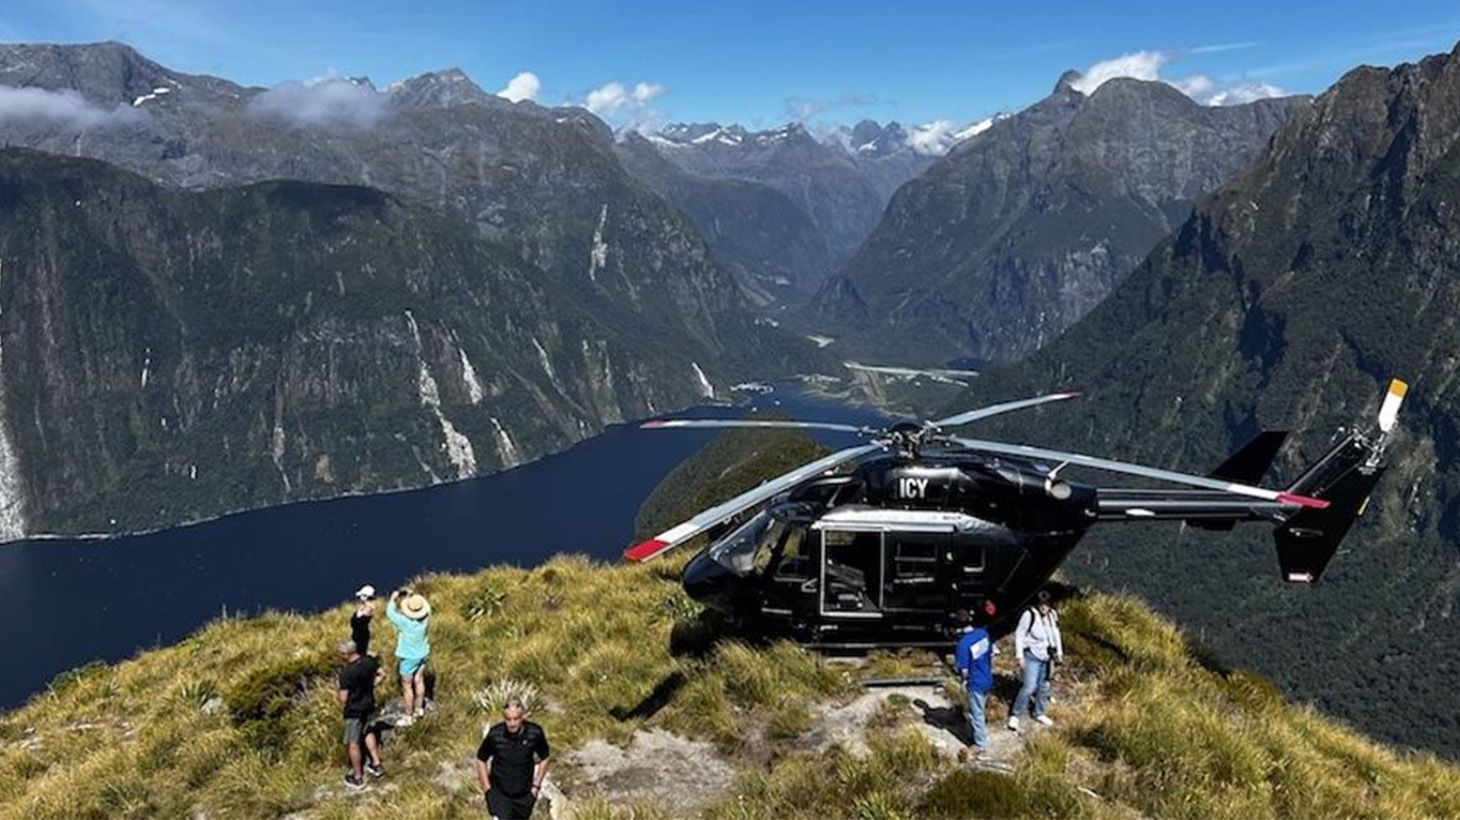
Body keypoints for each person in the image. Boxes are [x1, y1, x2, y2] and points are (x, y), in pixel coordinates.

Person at [475, 699, 551, 819]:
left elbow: (545, 758)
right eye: (508, 719)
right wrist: (487, 789)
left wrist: (536, 787)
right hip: (499, 795)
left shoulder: (534, 733)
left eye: (516, 719)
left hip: (524, 796)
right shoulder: (495, 734)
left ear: (522, 717)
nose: (512, 723)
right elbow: (481, 759)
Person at [1009, 589, 1063, 731]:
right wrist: (1019, 655)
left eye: (1047, 604)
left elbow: (1056, 633)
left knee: (1044, 686)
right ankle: (1015, 715)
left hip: (1047, 656)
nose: (1044, 607)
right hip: (1032, 655)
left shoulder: (1052, 615)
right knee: (1029, 687)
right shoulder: (1029, 615)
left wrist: (1059, 652)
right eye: (1041, 604)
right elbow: (1019, 634)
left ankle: (1039, 712)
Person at [336, 639, 386, 789]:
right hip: (369, 704)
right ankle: (376, 764)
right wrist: (371, 686)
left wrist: (338, 694)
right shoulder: (368, 661)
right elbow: (382, 674)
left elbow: (343, 698)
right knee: (368, 731)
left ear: (346, 654)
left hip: (354, 710)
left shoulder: (346, 673)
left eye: (341, 654)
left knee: (353, 743)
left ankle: (358, 777)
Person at [387, 587, 432, 725]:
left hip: (409, 657)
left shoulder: (405, 623)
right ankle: (419, 709)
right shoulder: (425, 618)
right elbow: (419, 608)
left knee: (407, 686)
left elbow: (390, 613)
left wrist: (393, 598)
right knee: (419, 680)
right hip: (423, 654)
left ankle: (408, 716)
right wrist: (410, 597)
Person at [952, 608, 993, 754]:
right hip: (987, 677)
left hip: (975, 682)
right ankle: (976, 733)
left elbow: (964, 671)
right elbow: (991, 653)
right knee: (980, 709)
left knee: (976, 713)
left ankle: (980, 744)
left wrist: (964, 681)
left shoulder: (963, 644)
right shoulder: (983, 634)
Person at [351, 585, 376, 656]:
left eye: (362, 596)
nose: (360, 598)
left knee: (360, 652)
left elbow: (360, 622)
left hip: (362, 635)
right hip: (357, 634)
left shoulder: (369, 608)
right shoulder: (362, 607)